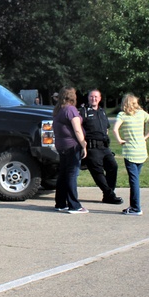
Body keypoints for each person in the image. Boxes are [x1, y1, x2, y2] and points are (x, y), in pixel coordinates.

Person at [112, 93, 149, 216]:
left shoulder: (122, 115)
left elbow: (115, 129)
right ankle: (134, 205)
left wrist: (119, 140)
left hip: (130, 152)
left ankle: (136, 207)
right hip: (141, 151)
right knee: (135, 179)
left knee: (134, 181)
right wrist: (145, 137)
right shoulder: (142, 114)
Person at [81, 89, 123, 204]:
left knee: (113, 166)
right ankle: (110, 195)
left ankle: (108, 194)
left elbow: (106, 128)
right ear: (88, 98)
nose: (93, 99)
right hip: (92, 147)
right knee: (97, 172)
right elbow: (78, 129)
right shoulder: (84, 112)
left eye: (96, 97)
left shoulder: (102, 112)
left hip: (104, 147)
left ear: (100, 99)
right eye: (91, 97)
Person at [52, 86, 88, 214]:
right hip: (72, 145)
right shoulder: (71, 110)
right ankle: (74, 205)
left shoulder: (58, 110)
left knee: (63, 175)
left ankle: (60, 203)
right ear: (72, 96)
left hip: (61, 146)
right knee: (72, 174)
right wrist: (83, 144)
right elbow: (77, 129)